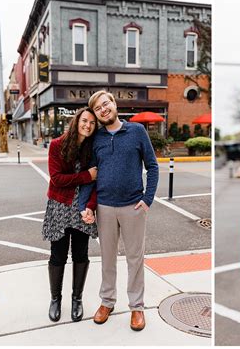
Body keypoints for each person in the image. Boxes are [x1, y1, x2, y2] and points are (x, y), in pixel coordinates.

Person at [78, 90, 159, 331]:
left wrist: (147, 200)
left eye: (106, 104)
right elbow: (92, 175)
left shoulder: (136, 131)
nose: (104, 110)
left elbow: (152, 167)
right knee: (108, 258)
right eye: (98, 108)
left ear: (114, 104)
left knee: (135, 259)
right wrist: (86, 205)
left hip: (133, 206)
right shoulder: (97, 139)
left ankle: (137, 307)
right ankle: (107, 302)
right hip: (104, 207)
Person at [42, 107, 98, 322]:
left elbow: (96, 183)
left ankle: (77, 299)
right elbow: (57, 179)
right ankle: (55, 299)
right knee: (58, 254)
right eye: (85, 121)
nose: (88, 125)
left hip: (82, 210)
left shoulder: (92, 149)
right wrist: (86, 176)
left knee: (81, 254)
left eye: (92, 123)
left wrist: (90, 207)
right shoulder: (57, 145)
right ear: (76, 121)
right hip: (59, 207)